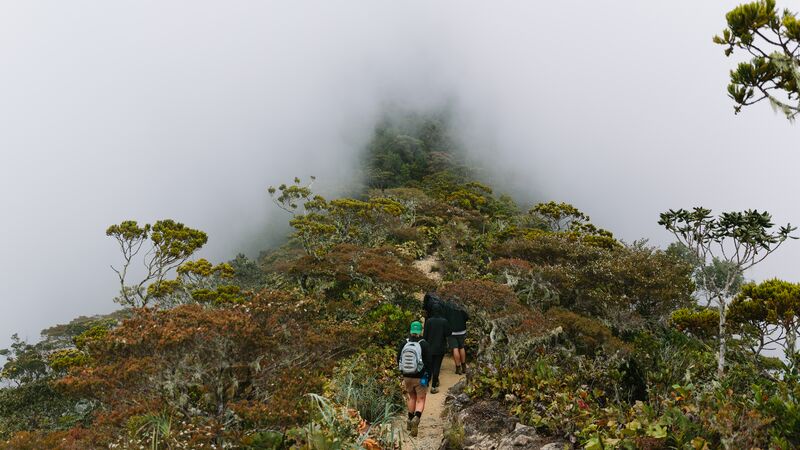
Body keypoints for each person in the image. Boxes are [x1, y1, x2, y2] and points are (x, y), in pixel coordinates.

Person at [396, 321, 431, 437]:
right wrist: (428, 377)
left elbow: (398, 359)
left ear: (411, 331)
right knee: (421, 399)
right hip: (421, 377)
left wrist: (403, 372)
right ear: (420, 331)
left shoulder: (404, 343)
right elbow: (429, 362)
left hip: (407, 376)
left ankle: (409, 420)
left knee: (412, 397)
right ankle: (416, 418)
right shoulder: (424, 344)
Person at [423, 302, 451, 394]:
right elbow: (448, 333)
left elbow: (425, 336)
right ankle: (434, 386)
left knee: (429, 366)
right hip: (440, 347)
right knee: (437, 366)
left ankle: (426, 384)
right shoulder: (444, 321)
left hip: (429, 348)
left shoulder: (429, 321)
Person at [444, 300, 469, 375]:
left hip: (451, 331)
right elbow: (466, 317)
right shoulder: (461, 304)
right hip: (462, 330)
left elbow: (445, 317)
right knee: (461, 347)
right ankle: (464, 366)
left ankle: (458, 368)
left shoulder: (447, 305)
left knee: (455, 348)